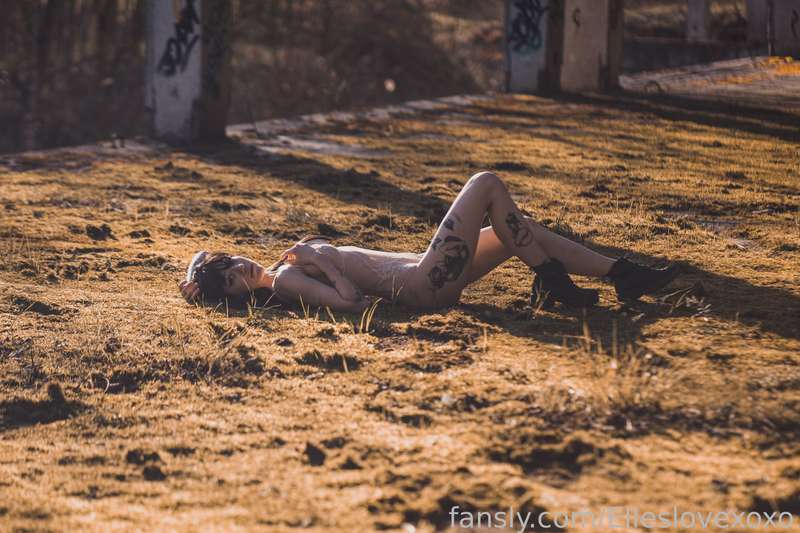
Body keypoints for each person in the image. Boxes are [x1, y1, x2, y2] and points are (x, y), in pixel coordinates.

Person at [178, 171, 679, 313]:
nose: (239, 271)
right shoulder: (287, 279)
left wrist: (193, 278)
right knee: (485, 184)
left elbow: (201, 258)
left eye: (231, 263)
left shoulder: (281, 263)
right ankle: (553, 282)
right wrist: (323, 262)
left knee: (519, 231)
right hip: (424, 283)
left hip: (428, 270)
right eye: (232, 282)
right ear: (240, 296)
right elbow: (350, 303)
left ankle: (622, 275)